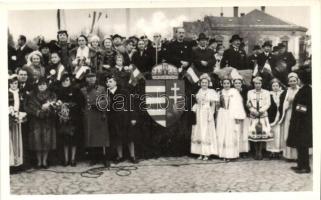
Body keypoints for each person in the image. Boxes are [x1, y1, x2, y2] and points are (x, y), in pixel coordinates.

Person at [24, 77, 58, 169]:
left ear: (47, 85)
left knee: (47, 141)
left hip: (48, 121)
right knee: (37, 141)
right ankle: (39, 162)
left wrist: (48, 109)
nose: (42, 86)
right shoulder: (32, 95)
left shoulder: (52, 95)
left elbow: (55, 106)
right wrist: (38, 112)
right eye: (40, 85)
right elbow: (28, 106)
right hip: (36, 121)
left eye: (43, 84)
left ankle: (45, 161)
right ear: (37, 86)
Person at [80, 72, 110, 167]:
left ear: (96, 78)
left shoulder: (101, 88)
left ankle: (105, 158)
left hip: (100, 114)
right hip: (89, 115)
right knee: (91, 137)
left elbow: (107, 100)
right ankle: (94, 158)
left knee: (102, 138)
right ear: (86, 79)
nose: (91, 79)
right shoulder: (83, 90)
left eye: (93, 77)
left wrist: (98, 104)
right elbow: (80, 104)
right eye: (89, 77)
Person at [106, 75, 138, 164]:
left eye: (110, 81)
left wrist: (133, 118)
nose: (108, 83)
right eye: (107, 82)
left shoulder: (124, 92)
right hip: (114, 119)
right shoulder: (106, 93)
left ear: (116, 82)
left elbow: (131, 105)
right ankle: (120, 156)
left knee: (130, 137)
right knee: (117, 138)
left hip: (126, 118)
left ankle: (132, 156)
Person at [287, 70, 312, 174]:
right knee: (299, 144)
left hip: (303, 122)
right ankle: (300, 164)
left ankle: (305, 167)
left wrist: (297, 110)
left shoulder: (306, 90)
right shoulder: (304, 89)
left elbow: (304, 108)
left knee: (303, 144)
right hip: (300, 121)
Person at [55, 74, 83, 166]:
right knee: (64, 140)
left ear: (70, 81)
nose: (65, 82)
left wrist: (69, 105)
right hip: (62, 118)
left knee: (73, 139)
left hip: (74, 117)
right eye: (63, 80)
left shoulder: (75, 90)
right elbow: (56, 102)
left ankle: (73, 159)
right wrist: (60, 105)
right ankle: (66, 159)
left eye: (67, 80)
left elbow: (81, 102)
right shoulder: (59, 91)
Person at [217, 76, 246, 161]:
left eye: (228, 83)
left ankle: (230, 154)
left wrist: (237, 117)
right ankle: (222, 153)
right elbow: (217, 105)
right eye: (224, 83)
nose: (226, 85)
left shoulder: (234, 92)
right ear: (222, 84)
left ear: (230, 84)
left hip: (231, 114)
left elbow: (238, 105)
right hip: (222, 114)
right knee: (222, 132)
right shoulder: (219, 92)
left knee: (230, 133)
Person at [191, 73, 219, 160]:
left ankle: (207, 153)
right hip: (199, 113)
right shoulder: (199, 91)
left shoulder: (211, 92)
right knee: (199, 131)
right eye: (202, 82)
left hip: (207, 112)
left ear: (208, 83)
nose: (204, 84)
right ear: (200, 83)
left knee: (206, 131)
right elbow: (197, 102)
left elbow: (213, 105)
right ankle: (200, 153)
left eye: (206, 82)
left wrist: (211, 114)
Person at [247, 76, 272, 160]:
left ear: (261, 84)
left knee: (262, 133)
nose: (257, 85)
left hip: (262, 115)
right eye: (256, 83)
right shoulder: (250, 92)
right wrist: (253, 111)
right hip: (254, 115)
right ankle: (255, 151)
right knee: (254, 133)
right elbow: (248, 103)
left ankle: (260, 152)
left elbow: (268, 104)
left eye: (259, 83)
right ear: (254, 84)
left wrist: (260, 111)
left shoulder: (266, 92)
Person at [278, 72, 300, 161]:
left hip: (297, 115)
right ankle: (288, 155)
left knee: (296, 134)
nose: (292, 83)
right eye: (291, 81)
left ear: (297, 81)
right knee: (287, 133)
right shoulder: (285, 92)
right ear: (288, 82)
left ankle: (296, 156)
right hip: (288, 114)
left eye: (294, 81)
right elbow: (282, 104)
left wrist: (294, 104)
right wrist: (287, 104)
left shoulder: (300, 91)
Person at [9, 75, 26, 170]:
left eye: (15, 83)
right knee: (10, 139)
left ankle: (18, 162)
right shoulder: (7, 93)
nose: (14, 85)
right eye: (12, 83)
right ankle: (10, 163)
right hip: (10, 118)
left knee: (17, 139)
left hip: (18, 118)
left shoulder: (19, 92)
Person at [232, 75, 250, 157]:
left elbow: (247, 103)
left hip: (244, 114)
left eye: (239, 83)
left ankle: (244, 151)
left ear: (241, 84)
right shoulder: (231, 92)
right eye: (236, 83)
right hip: (234, 115)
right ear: (233, 84)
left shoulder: (245, 92)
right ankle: (236, 150)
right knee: (236, 132)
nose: (237, 84)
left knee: (244, 132)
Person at [266, 78, 284, 159]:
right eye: (273, 86)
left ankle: (279, 151)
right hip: (271, 116)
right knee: (271, 133)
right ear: (271, 87)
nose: (275, 87)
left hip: (280, 116)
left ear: (279, 86)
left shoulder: (283, 93)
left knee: (279, 134)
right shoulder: (269, 94)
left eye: (277, 85)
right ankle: (271, 151)